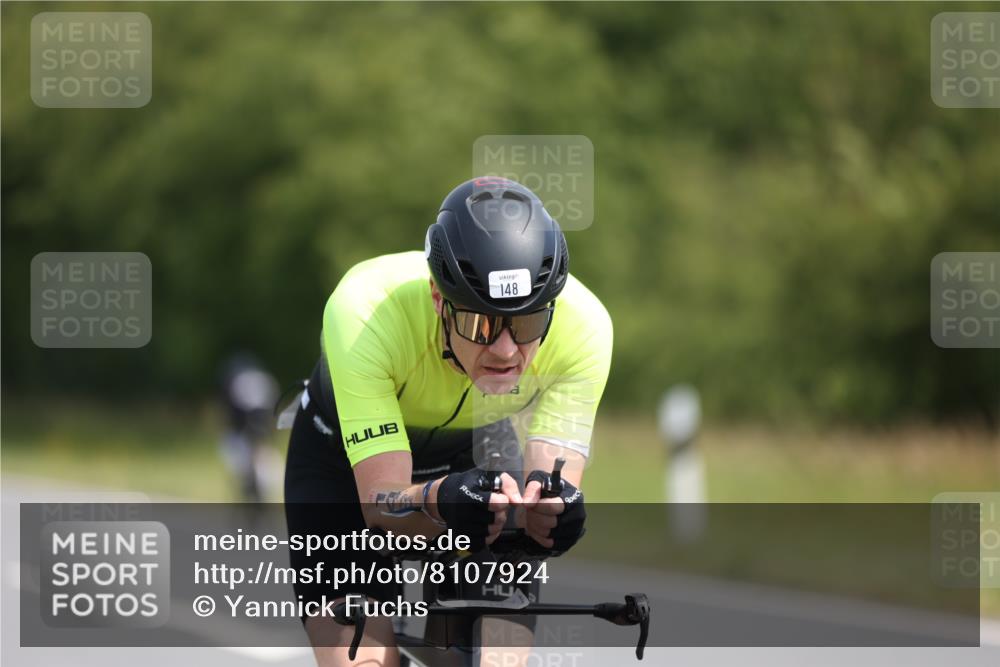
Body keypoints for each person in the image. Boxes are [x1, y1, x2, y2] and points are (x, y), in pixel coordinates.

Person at [283, 177, 613, 667]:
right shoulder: (365, 309)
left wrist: (552, 516)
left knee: (497, 659)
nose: (505, 351)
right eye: (481, 325)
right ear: (440, 300)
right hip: (342, 461)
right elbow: (381, 507)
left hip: (477, 449)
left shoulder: (585, 327)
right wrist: (444, 499)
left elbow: (547, 488)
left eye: (524, 325)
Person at [219, 352, 281, 502]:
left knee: (239, 460)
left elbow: (227, 416)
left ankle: (248, 494)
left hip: (242, 434)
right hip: (259, 434)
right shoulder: (266, 381)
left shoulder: (236, 382)